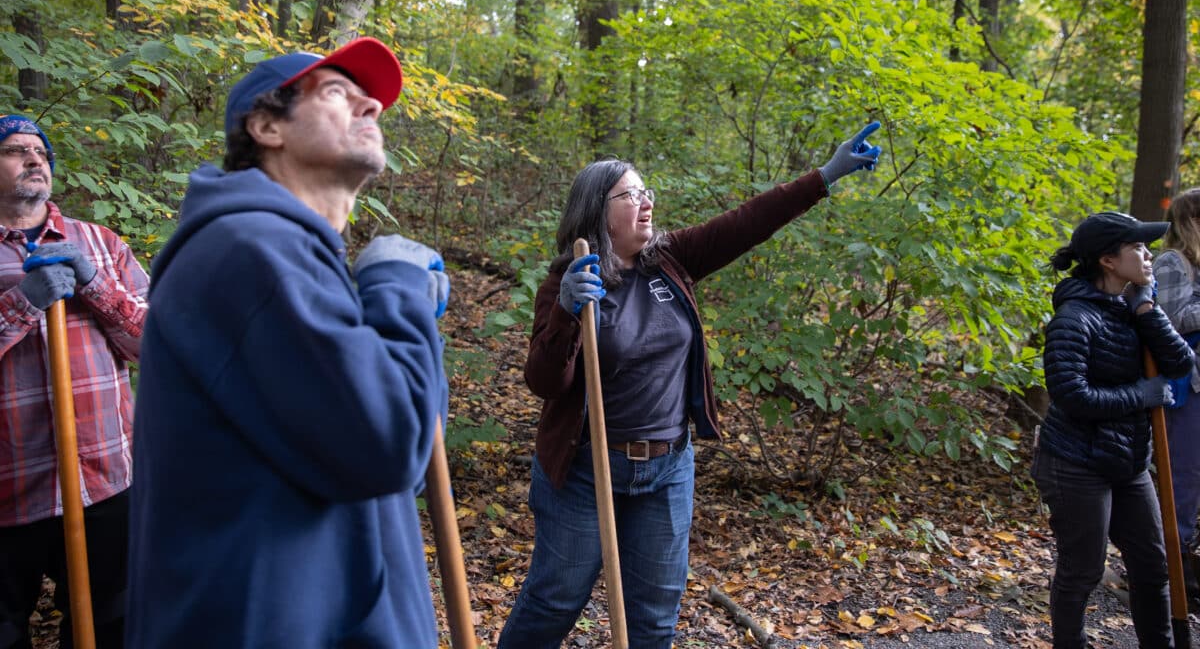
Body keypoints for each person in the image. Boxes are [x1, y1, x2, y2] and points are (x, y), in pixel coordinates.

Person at [497, 122, 883, 648]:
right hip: (588, 471)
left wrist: (828, 174)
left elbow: (748, 222)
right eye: (631, 195)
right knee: (554, 602)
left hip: (667, 467)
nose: (647, 203)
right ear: (596, 210)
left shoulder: (670, 260)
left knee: (654, 618)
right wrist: (566, 311)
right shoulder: (570, 281)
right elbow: (545, 382)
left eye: (646, 191)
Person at [125, 37, 451, 648]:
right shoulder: (249, 250)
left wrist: (394, 313)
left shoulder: (294, 256)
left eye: (371, 100)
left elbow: (401, 454)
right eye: (337, 92)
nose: (371, 107)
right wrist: (396, 285)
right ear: (267, 125)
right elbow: (388, 443)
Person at [0, 114, 149, 649]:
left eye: (39, 150)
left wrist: (96, 283)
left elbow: (159, 345)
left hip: (105, 484)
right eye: (15, 150)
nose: (34, 158)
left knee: (116, 626)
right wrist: (23, 303)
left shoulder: (102, 244)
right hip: (8, 493)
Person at [1034, 211, 1195, 649]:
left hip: (1128, 460)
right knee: (1083, 569)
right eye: (1137, 248)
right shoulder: (1074, 318)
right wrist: (1139, 396)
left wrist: (1146, 306)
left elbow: (1180, 363)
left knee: (1152, 565)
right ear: (1108, 260)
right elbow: (1072, 395)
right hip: (1075, 463)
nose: (1148, 255)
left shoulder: (1133, 306)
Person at [1153, 188, 1200, 605]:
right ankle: (1172, 569)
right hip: (1187, 388)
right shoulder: (1173, 262)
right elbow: (1170, 322)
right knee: (1183, 477)